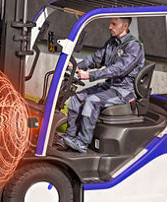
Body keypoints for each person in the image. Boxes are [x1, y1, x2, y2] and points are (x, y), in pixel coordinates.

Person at [62, 17, 145, 153]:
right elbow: (95, 59)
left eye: (114, 24)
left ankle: (82, 142)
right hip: (109, 87)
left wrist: (90, 75)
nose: (109, 27)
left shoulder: (134, 46)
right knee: (77, 97)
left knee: (91, 101)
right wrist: (74, 66)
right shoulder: (112, 43)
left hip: (123, 91)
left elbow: (119, 69)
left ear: (125, 26)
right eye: (110, 23)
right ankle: (70, 137)